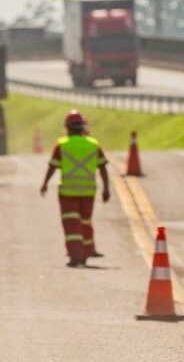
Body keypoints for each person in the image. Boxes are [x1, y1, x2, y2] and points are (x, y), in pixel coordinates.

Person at [39, 110, 111, 267]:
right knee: (85, 222)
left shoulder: (62, 145)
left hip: (68, 193)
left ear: (67, 127)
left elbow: (52, 166)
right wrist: (106, 189)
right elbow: (103, 168)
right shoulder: (93, 144)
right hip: (88, 192)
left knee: (72, 225)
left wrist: (45, 183)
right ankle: (86, 252)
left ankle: (76, 256)